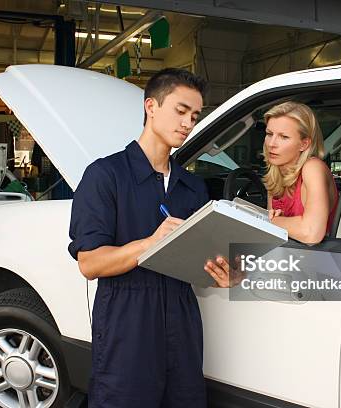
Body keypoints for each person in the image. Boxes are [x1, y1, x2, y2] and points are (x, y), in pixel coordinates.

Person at [68, 68, 232, 408]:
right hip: (127, 325)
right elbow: (90, 262)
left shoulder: (193, 188)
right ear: (151, 107)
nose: (188, 123)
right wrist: (149, 243)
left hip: (182, 323)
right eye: (181, 110)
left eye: (195, 115)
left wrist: (224, 274)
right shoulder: (105, 176)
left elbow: (202, 266)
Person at [262, 101, 339, 245]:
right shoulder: (275, 174)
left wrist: (269, 220)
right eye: (269, 134)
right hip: (290, 260)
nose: (272, 143)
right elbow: (273, 234)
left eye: (284, 137)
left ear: (304, 144)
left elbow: (311, 233)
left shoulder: (312, 168)